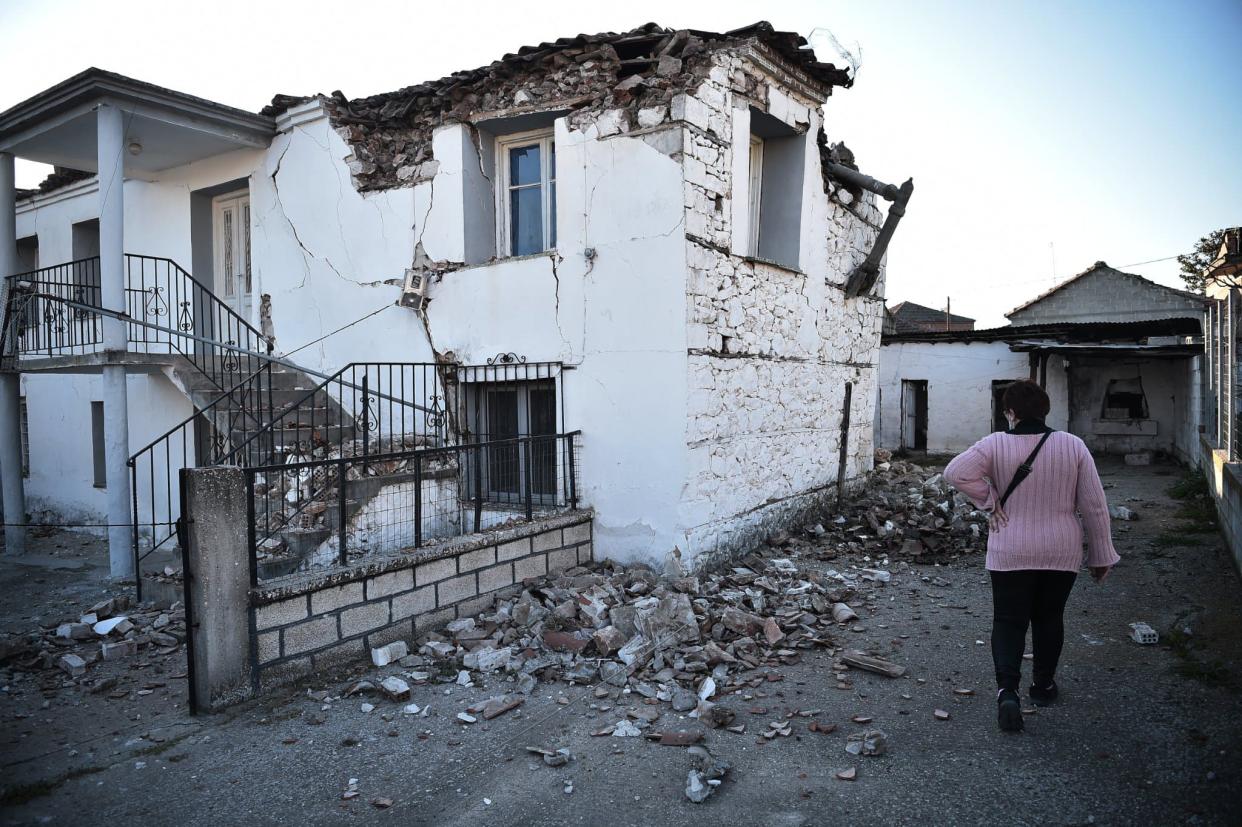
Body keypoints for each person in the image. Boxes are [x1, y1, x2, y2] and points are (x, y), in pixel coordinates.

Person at [944, 380, 1120, 732]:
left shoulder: (994, 444)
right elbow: (1095, 506)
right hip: (1061, 549)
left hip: (1009, 547)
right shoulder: (1072, 445)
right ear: (1045, 410)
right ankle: (1042, 687)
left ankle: (1007, 692)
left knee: (1008, 620)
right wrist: (1101, 554)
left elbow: (955, 472)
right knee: (1049, 618)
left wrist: (990, 501)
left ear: (1009, 413)